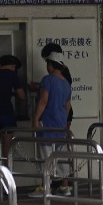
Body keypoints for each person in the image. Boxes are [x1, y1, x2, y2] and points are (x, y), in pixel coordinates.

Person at [33, 53, 73, 195]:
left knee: (45, 156)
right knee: (61, 156)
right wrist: (62, 120)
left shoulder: (48, 80)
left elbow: (43, 100)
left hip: (47, 123)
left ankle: (45, 187)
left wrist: (36, 119)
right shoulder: (66, 83)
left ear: (51, 65)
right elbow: (68, 106)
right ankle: (64, 186)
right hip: (60, 125)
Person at [0, 54, 25, 167]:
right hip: (7, 115)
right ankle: (7, 179)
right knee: (8, 149)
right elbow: (22, 96)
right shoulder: (12, 75)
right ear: (12, 66)